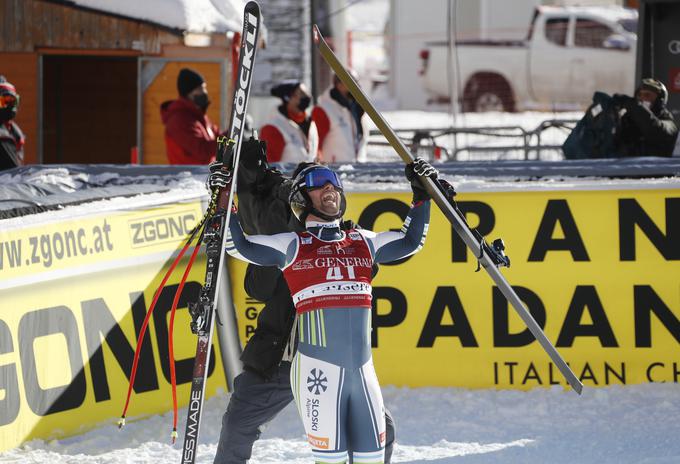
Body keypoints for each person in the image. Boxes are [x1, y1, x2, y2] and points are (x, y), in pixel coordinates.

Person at [211, 148, 436, 463]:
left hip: (342, 364)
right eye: (318, 182)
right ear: (299, 195)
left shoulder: (353, 237)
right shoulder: (285, 237)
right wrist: (223, 200)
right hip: (279, 359)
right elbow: (249, 268)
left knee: (382, 431)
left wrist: (423, 195)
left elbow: (402, 245)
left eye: (333, 181)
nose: (329, 187)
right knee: (237, 425)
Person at [161, 68, 221, 164]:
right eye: (199, 89)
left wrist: (237, 131)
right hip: (187, 177)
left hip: (202, 175)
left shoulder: (199, 116)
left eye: (204, 88)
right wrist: (230, 137)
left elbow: (217, 135)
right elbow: (203, 150)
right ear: (188, 93)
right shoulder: (179, 120)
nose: (204, 92)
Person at [312, 73, 370, 163]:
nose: (356, 86)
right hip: (333, 170)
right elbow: (315, 144)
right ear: (339, 84)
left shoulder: (357, 108)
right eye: (352, 82)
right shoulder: (324, 109)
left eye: (356, 82)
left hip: (356, 169)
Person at [613, 78, 678, 157]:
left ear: (660, 100)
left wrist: (631, 104)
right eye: (639, 95)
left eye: (647, 95)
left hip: (655, 168)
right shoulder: (628, 121)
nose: (642, 98)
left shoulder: (670, 125)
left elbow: (653, 128)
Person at [259, 80, 319, 163]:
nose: (307, 97)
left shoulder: (310, 122)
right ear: (288, 98)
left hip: (309, 175)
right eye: (301, 94)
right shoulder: (273, 127)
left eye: (306, 93)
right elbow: (268, 164)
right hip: (288, 176)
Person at [0, 76, 25, 170]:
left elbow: (18, 166)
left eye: (13, 101)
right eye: (5, 101)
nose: (10, 106)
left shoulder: (15, 131)